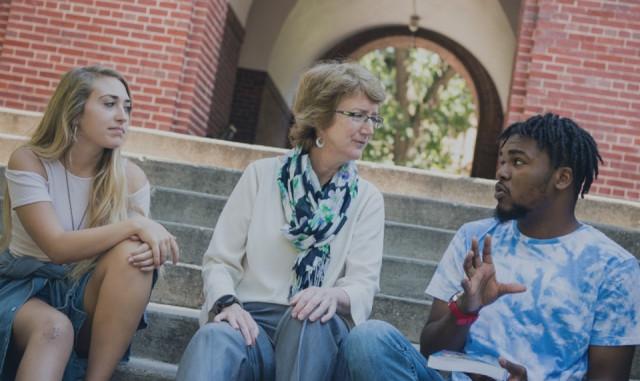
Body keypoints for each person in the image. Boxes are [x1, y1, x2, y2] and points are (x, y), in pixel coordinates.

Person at [343, 113, 640, 380]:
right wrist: (465, 309)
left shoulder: (613, 267)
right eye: (502, 160)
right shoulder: (474, 237)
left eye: (518, 161)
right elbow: (432, 350)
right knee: (369, 339)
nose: (502, 172)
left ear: (562, 178)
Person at [176, 61, 386, 381]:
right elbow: (220, 260)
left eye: (373, 118)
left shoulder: (367, 199)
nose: (368, 128)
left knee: (309, 319)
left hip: (317, 334)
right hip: (252, 323)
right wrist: (228, 304)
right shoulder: (261, 176)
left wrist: (330, 295)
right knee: (214, 337)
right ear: (320, 116)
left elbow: (362, 285)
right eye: (357, 115)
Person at [0, 66, 180, 381]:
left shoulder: (130, 177)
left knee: (133, 257)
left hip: (86, 293)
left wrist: (145, 241)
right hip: (23, 289)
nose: (123, 116)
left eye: (127, 107)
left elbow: (138, 252)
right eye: (110, 104)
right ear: (73, 111)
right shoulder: (30, 162)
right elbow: (55, 246)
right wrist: (135, 225)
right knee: (55, 329)